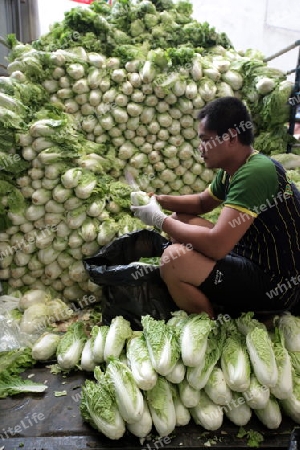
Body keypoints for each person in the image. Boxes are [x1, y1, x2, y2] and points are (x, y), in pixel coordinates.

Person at [131, 96, 300, 319]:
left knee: (173, 261)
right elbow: (202, 202)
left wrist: (159, 220)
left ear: (230, 138)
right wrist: (157, 201)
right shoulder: (237, 167)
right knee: (182, 219)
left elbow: (217, 246)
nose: (200, 149)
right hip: (251, 257)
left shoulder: (256, 172)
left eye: (205, 140)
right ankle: (218, 296)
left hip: (278, 283)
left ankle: (213, 325)